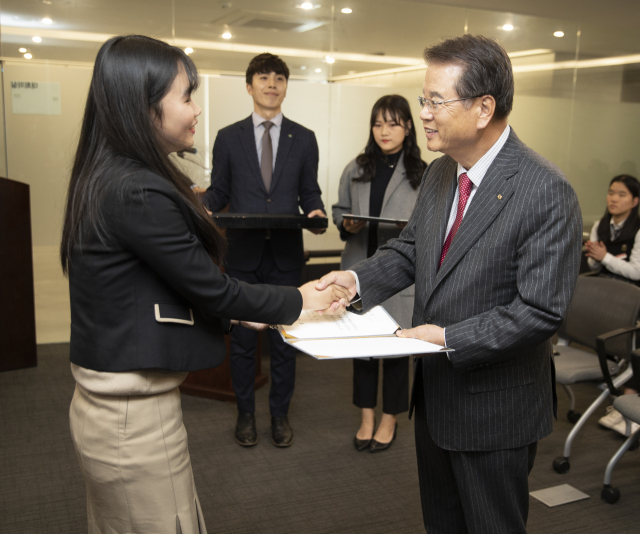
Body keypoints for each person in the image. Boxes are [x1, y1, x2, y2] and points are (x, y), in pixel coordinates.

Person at [60, 35, 347, 534]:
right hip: (132, 415)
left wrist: (245, 307)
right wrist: (299, 298)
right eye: (187, 96)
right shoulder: (137, 188)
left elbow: (176, 286)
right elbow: (212, 290)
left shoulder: (118, 176)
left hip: (128, 403)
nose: (196, 110)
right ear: (143, 107)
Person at [317, 35, 582, 533]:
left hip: (495, 410)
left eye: (436, 101)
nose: (425, 114)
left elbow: (541, 310)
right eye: (424, 100)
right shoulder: (442, 174)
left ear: (484, 108)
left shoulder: (545, 190)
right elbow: (412, 251)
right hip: (437, 398)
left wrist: (448, 338)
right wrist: (352, 281)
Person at [201, 53, 326, 448]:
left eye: (279, 78)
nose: (272, 84)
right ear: (249, 85)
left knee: (284, 342)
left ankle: (279, 416)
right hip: (243, 257)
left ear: (286, 86)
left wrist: (317, 210)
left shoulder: (304, 138)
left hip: (287, 256)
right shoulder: (228, 136)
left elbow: (310, 192)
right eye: (263, 77)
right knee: (241, 345)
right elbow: (220, 190)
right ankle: (245, 416)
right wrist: (201, 206)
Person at [332, 95, 426, 452]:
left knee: (396, 351)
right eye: (378, 123)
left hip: (401, 275)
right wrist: (348, 222)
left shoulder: (424, 172)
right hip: (359, 270)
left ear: (407, 127)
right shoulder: (356, 167)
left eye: (393, 123)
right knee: (363, 351)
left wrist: (410, 227)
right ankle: (367, 417)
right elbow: (339, 210)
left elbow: (432, 226)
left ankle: (390, 420)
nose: (385, 131)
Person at [586, 175, 640, 435]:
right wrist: (597, 258)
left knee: (633, 347)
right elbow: (595, 266)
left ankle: (628, 405)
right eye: (611, 193)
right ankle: (621, 402)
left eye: (621, 194)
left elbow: (636, 272)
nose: (613, 199)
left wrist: (604, 256)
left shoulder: (639, 229)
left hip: (632, 296)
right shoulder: (601, 224)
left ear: (635, 201)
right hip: (607, 293)